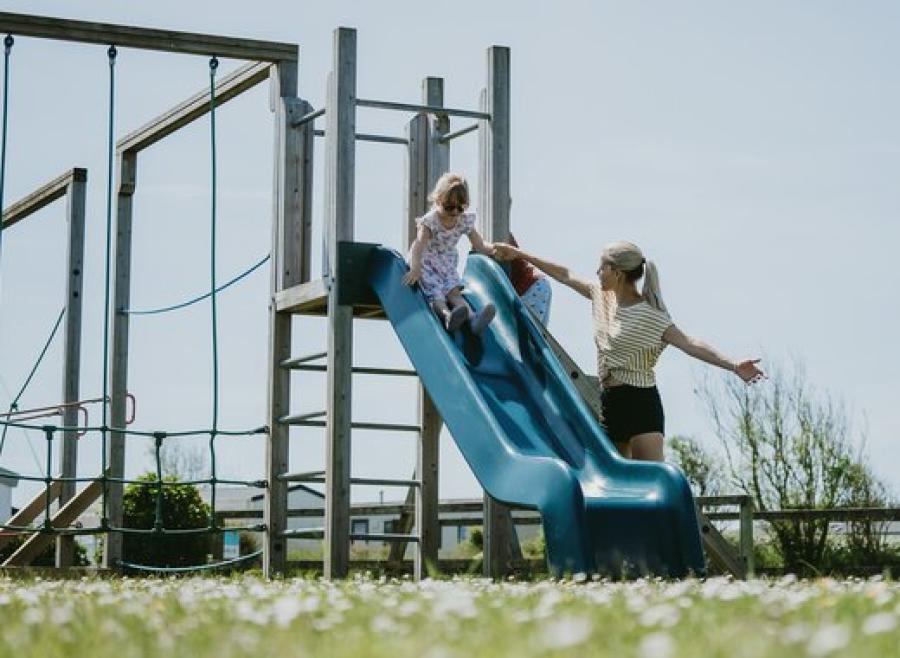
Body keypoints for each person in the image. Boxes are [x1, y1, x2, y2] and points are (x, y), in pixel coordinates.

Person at [494, 240, 764, 461]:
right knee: (614, 483)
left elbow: (689, 343)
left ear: (617, 273)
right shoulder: (601, 297)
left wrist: (733, 364)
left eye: (601, 268)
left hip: (641, 403)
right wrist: (519, 253)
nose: (597, 273)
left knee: (649, 484)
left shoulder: (651, 316)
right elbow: (564, 274)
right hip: (610, 402)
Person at [404, 173, 497, 335]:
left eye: (460, 207)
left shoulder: (463, 220)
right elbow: (418, 245)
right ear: (438, 200)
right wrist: (415, 267)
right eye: (449, 207)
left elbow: (478, 244)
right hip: (427, 262)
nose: (455, 211)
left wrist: (494, 250)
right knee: (436, 292)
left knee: (453, 292)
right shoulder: (430, 221)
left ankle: (473, 319)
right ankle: (447, 316)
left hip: (447, 262)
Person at [507, 233, 552, 325]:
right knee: (538, 332)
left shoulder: (500, 235)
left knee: (528, 329)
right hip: (538, 285)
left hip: (531, 288)